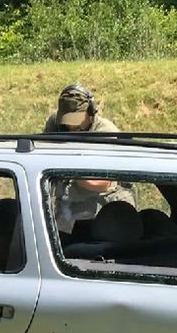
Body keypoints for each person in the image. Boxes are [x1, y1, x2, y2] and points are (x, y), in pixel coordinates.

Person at [42, 83, 134, 233]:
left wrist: (70, 171)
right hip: (68, 207)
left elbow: (102, 183)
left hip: (105, 208)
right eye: (66, 120)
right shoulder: (55, 123)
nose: (70, 126)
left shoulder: (105, 133)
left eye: (76, 120)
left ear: (91, 111)